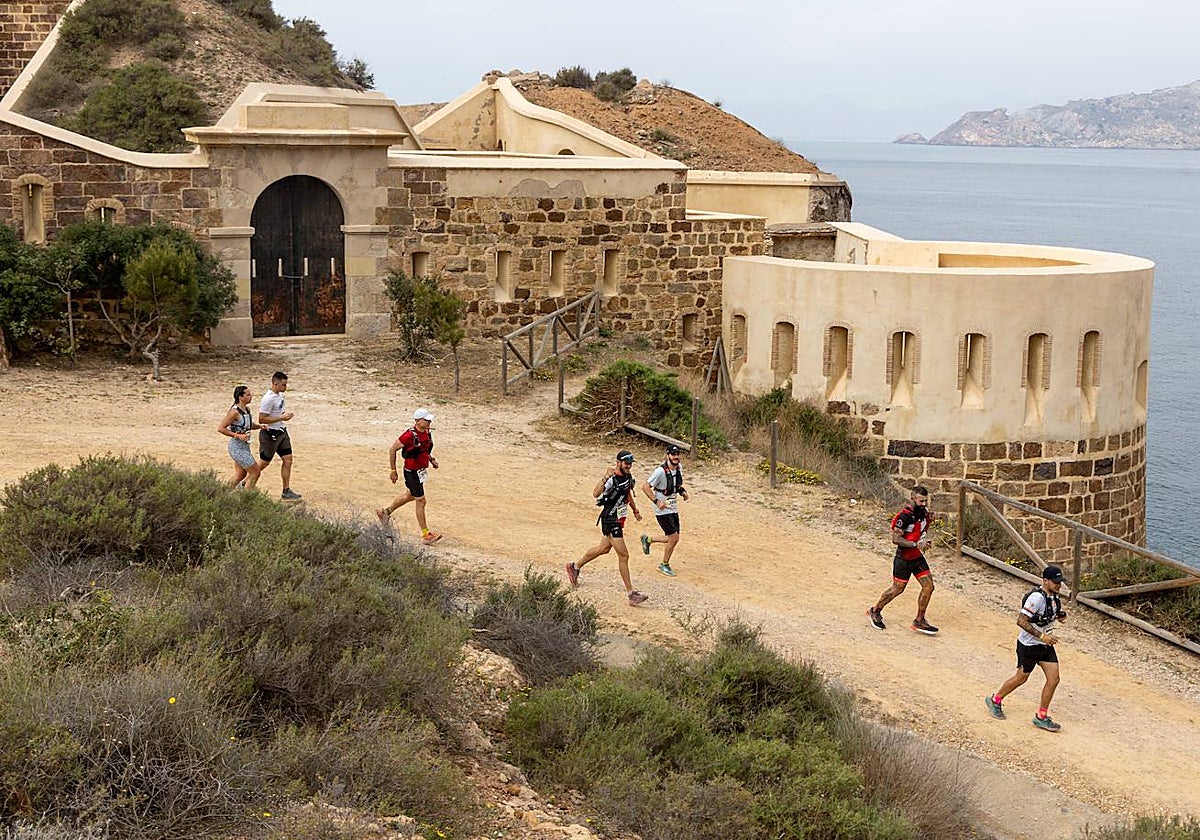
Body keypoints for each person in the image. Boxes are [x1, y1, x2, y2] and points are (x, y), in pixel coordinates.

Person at [985, 565, 1067, 732]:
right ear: (1045, 581)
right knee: (1021, 678)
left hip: (1044, 646)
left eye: (1060, 582)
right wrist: (1042, 636)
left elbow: (1048, 614)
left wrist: (1059, 616)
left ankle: (1041, 716)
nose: (1059, 585)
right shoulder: (1036, 598)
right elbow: (1021, 621)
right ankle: (995, 700)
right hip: (1029, 646)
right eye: (1055, 582)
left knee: (1054, 679)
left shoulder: (1053, 596)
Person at [566, 450, 647, 605]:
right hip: (611, 520)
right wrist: (605, 477)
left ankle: (574, 567)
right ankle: (631, 594)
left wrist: (635, 510)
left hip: (618, 519)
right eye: (626, 463)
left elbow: (627, 493)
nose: (629, 466)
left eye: (630, 463)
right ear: (618, 462)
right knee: (624, 556)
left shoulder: (627, 477)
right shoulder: (611, 479)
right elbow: (595, 493)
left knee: (603, 548)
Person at [867, 485, 938, 634]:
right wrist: (915, 544)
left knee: (929, 586)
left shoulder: (924, 514)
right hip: (904, 559)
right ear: (913, 499)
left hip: (917, 557)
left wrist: (926, 535)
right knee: (897, 589)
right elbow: (896, 539)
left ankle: (919, 620)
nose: (924, 504)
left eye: (925, 501)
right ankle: (875, 610)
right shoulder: (904, 517)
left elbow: (920, 531)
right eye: (921, 501)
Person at [376, 408, 442, 545]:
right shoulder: (408, 436)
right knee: (421, 500)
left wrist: (431, 459)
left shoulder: (426, 433)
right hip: (412, 473)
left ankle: (385, 512)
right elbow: (392, 449)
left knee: (410, 495)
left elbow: (423, 449)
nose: (429, 421)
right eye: (426, 419)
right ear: (418, 421)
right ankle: (426, 535)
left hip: (420, 471)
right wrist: (393, 470)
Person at [640, 444, 689, 577]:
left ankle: (648, 540)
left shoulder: (679, 468)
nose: (676, 457)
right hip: (661, 509)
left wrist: (682, 492)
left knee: (673, 538)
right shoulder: (660, 472)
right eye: (673, 454)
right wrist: (656, 501)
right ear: (668, 456)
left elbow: (676, 485)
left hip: (672, 506)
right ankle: (664, 564)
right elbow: (645, 487)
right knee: (674, 537)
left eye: (677, 454)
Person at [258, 371, 301, 500]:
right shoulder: (268, 399)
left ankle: (286, 490)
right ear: (275, 383)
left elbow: (276, 413)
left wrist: (282, 417)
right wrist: (281, 417)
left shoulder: (279, 396)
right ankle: (246, 481)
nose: (285, 387)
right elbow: (262, 419)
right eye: (283, 385)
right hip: (270, 434)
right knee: (263, 463)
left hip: (281, 431)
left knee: (288, 460)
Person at [218, 384, 262, 490]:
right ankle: (246, 499)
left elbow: (248, 425)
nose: (251, 396)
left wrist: (260, 426)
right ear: (240, 397)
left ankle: (223, 493)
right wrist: (237, 435)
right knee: (255, 472)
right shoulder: (234, 412)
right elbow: (221, 428)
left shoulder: (247, 410)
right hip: (237, 447)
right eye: (248, 395)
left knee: (240, 475)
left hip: (245, 447)